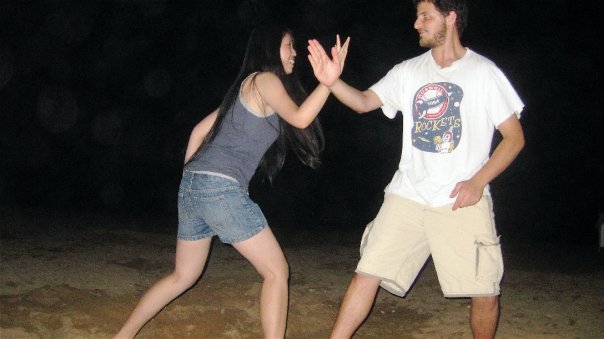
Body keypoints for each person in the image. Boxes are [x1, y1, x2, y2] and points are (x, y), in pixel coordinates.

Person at [113, 22, 349, 339]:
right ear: (269, 48)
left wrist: (192, 180)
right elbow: (302, 118)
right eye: (289, 45)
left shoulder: (245, 87)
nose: (294, 53)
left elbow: (198, 130)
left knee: (182, 276)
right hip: (220, 189)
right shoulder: (265, 80)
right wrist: (328, 84)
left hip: (195, 187)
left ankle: (122, 336)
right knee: (277, 272)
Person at [307, 0, 525, 338]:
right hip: (407, 193)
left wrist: (478, 181)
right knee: (366, 273)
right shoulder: (408, 70)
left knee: (485, 290)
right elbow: (365, 102)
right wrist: (333, 82)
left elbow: (513, 138)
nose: (416, 23)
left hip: (458, 199)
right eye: (417, 15)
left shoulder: (483, 72)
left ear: (450, 18)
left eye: (426, 16)